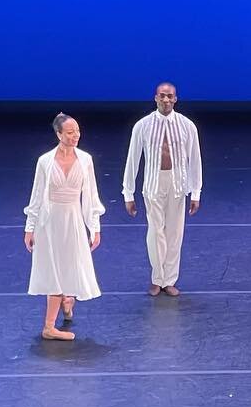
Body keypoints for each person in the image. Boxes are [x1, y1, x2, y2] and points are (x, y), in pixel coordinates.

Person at [23, 113, 104, 341]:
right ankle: (49, 327)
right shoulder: (45, 161)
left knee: (71, 264)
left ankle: (67, 302)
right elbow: (37, 195)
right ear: (59, 134)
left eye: (77, 131)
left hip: (73, 219)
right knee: (54, 270)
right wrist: (30, 227)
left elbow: (90, 196)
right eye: (69, 132)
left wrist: (94, 227)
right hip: (50, 222)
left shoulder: (85, 160)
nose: (75, 135)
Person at [122, 81, 203, 297]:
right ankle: (157, 277)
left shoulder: (187, 126)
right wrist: (128, 192)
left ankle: (170, 280)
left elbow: (195, 160)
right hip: (153, 183)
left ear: (175, 99)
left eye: (170, 96)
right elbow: (133, 159)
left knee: (175, 233)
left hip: (178, 183)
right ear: (155, 98)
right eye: (162, 96)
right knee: (156, 231)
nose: (166, 100)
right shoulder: (143, 125)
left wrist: (196, 192)